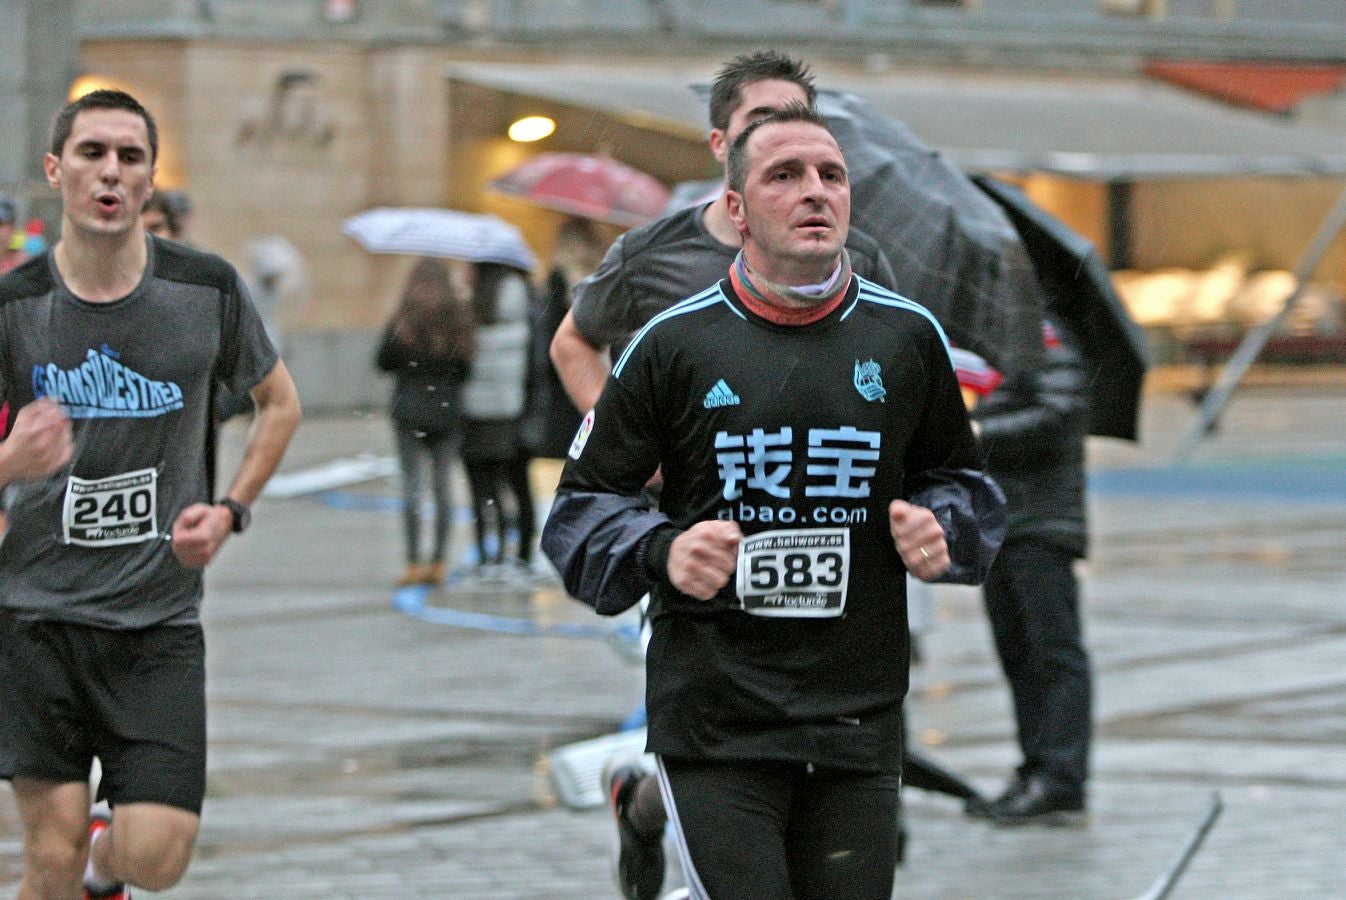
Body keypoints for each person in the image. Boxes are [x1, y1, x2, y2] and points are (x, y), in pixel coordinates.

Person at [542, 104, 1004, 900]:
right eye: (784, 176)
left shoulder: (905, 339)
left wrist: (945, 529)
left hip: (856, 714)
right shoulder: (672, 344)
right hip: (718, 716)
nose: (814, 192)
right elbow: (582, 507)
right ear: (736, 210)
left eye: (831, 176)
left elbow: (962, 485)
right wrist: (663, 550)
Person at [0, 89, 301, 899]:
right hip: (35, 614)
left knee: (155, 859)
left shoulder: (204, 291)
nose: (111, 173)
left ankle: (111, 870)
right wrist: (9, 463)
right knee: (48, 859)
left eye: (130, 158)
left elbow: (280, 402)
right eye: (93, 153)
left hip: (156, 621)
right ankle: (78, 869)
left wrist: (230, 509)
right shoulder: (15, 306)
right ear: (56, 170)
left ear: (151, 180)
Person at [549, 50, 896, 417]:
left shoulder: (855, 257)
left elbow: (891, 365)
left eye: (791, 118)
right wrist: (623, 440)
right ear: (719, 143)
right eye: (759, 120)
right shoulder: (650, 254)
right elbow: (572, 341)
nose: (775, 134)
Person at [966, 313, 1092, 826]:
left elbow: (1059, 413)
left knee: (1052, 654)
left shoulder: (1049, 336)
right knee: (1018, 654)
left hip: (1042, 522)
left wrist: (977, 430)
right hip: (1000, 522)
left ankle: (1061, 779)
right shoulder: (1003, 337)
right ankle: (1035, 770)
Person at [376, 257, 473, 587]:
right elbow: (465, 370)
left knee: (413, 487)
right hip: (446, 412)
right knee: (443, 486)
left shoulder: (405, 317)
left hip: (410, 411)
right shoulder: (459, 317)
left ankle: (413, 561)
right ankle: (439, 561)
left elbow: (383, 362)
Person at [462, 260, 536, 576]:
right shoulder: (527, 308)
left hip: (475, 412)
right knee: (514, 486)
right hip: (511, 411)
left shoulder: (471, 310)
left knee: (481, 487)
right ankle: (517, 552)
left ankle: (485, 555)